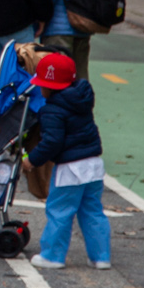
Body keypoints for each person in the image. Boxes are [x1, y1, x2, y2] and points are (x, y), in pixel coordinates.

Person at [26, 51, 110, 271]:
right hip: (93, 164)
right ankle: (101, 256)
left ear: (47, 86)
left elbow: (51, 142)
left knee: (60, 211)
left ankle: (53, 255)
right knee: (92, 211)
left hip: (70, 169)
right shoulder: (81, 100)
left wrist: (32, 160)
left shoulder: (51, 110)